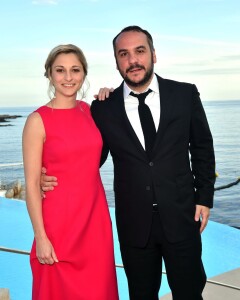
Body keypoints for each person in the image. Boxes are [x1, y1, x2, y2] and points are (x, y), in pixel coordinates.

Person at [43, 26, 215, 300]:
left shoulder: (185, 95)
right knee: (141, 295)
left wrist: (204, 197)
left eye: (140, 51)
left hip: (182, 218)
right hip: (134, 225)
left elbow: (202, 147)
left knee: (190, 294)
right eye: (124, 54)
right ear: (116, 62)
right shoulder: (103, 108)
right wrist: (49, 175)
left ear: (153, 55)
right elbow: (89, 158)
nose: (133, 60)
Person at [22, 44, 119, 300]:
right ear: (49, 75)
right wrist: (40, 237)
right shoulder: (37, 120)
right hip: (58, 226)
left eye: (75, 70)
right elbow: (32, 184)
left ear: (84, 74)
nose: (68, 77)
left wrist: (109, 94)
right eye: (60, 70)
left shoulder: (91, 111)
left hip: (95, 224)